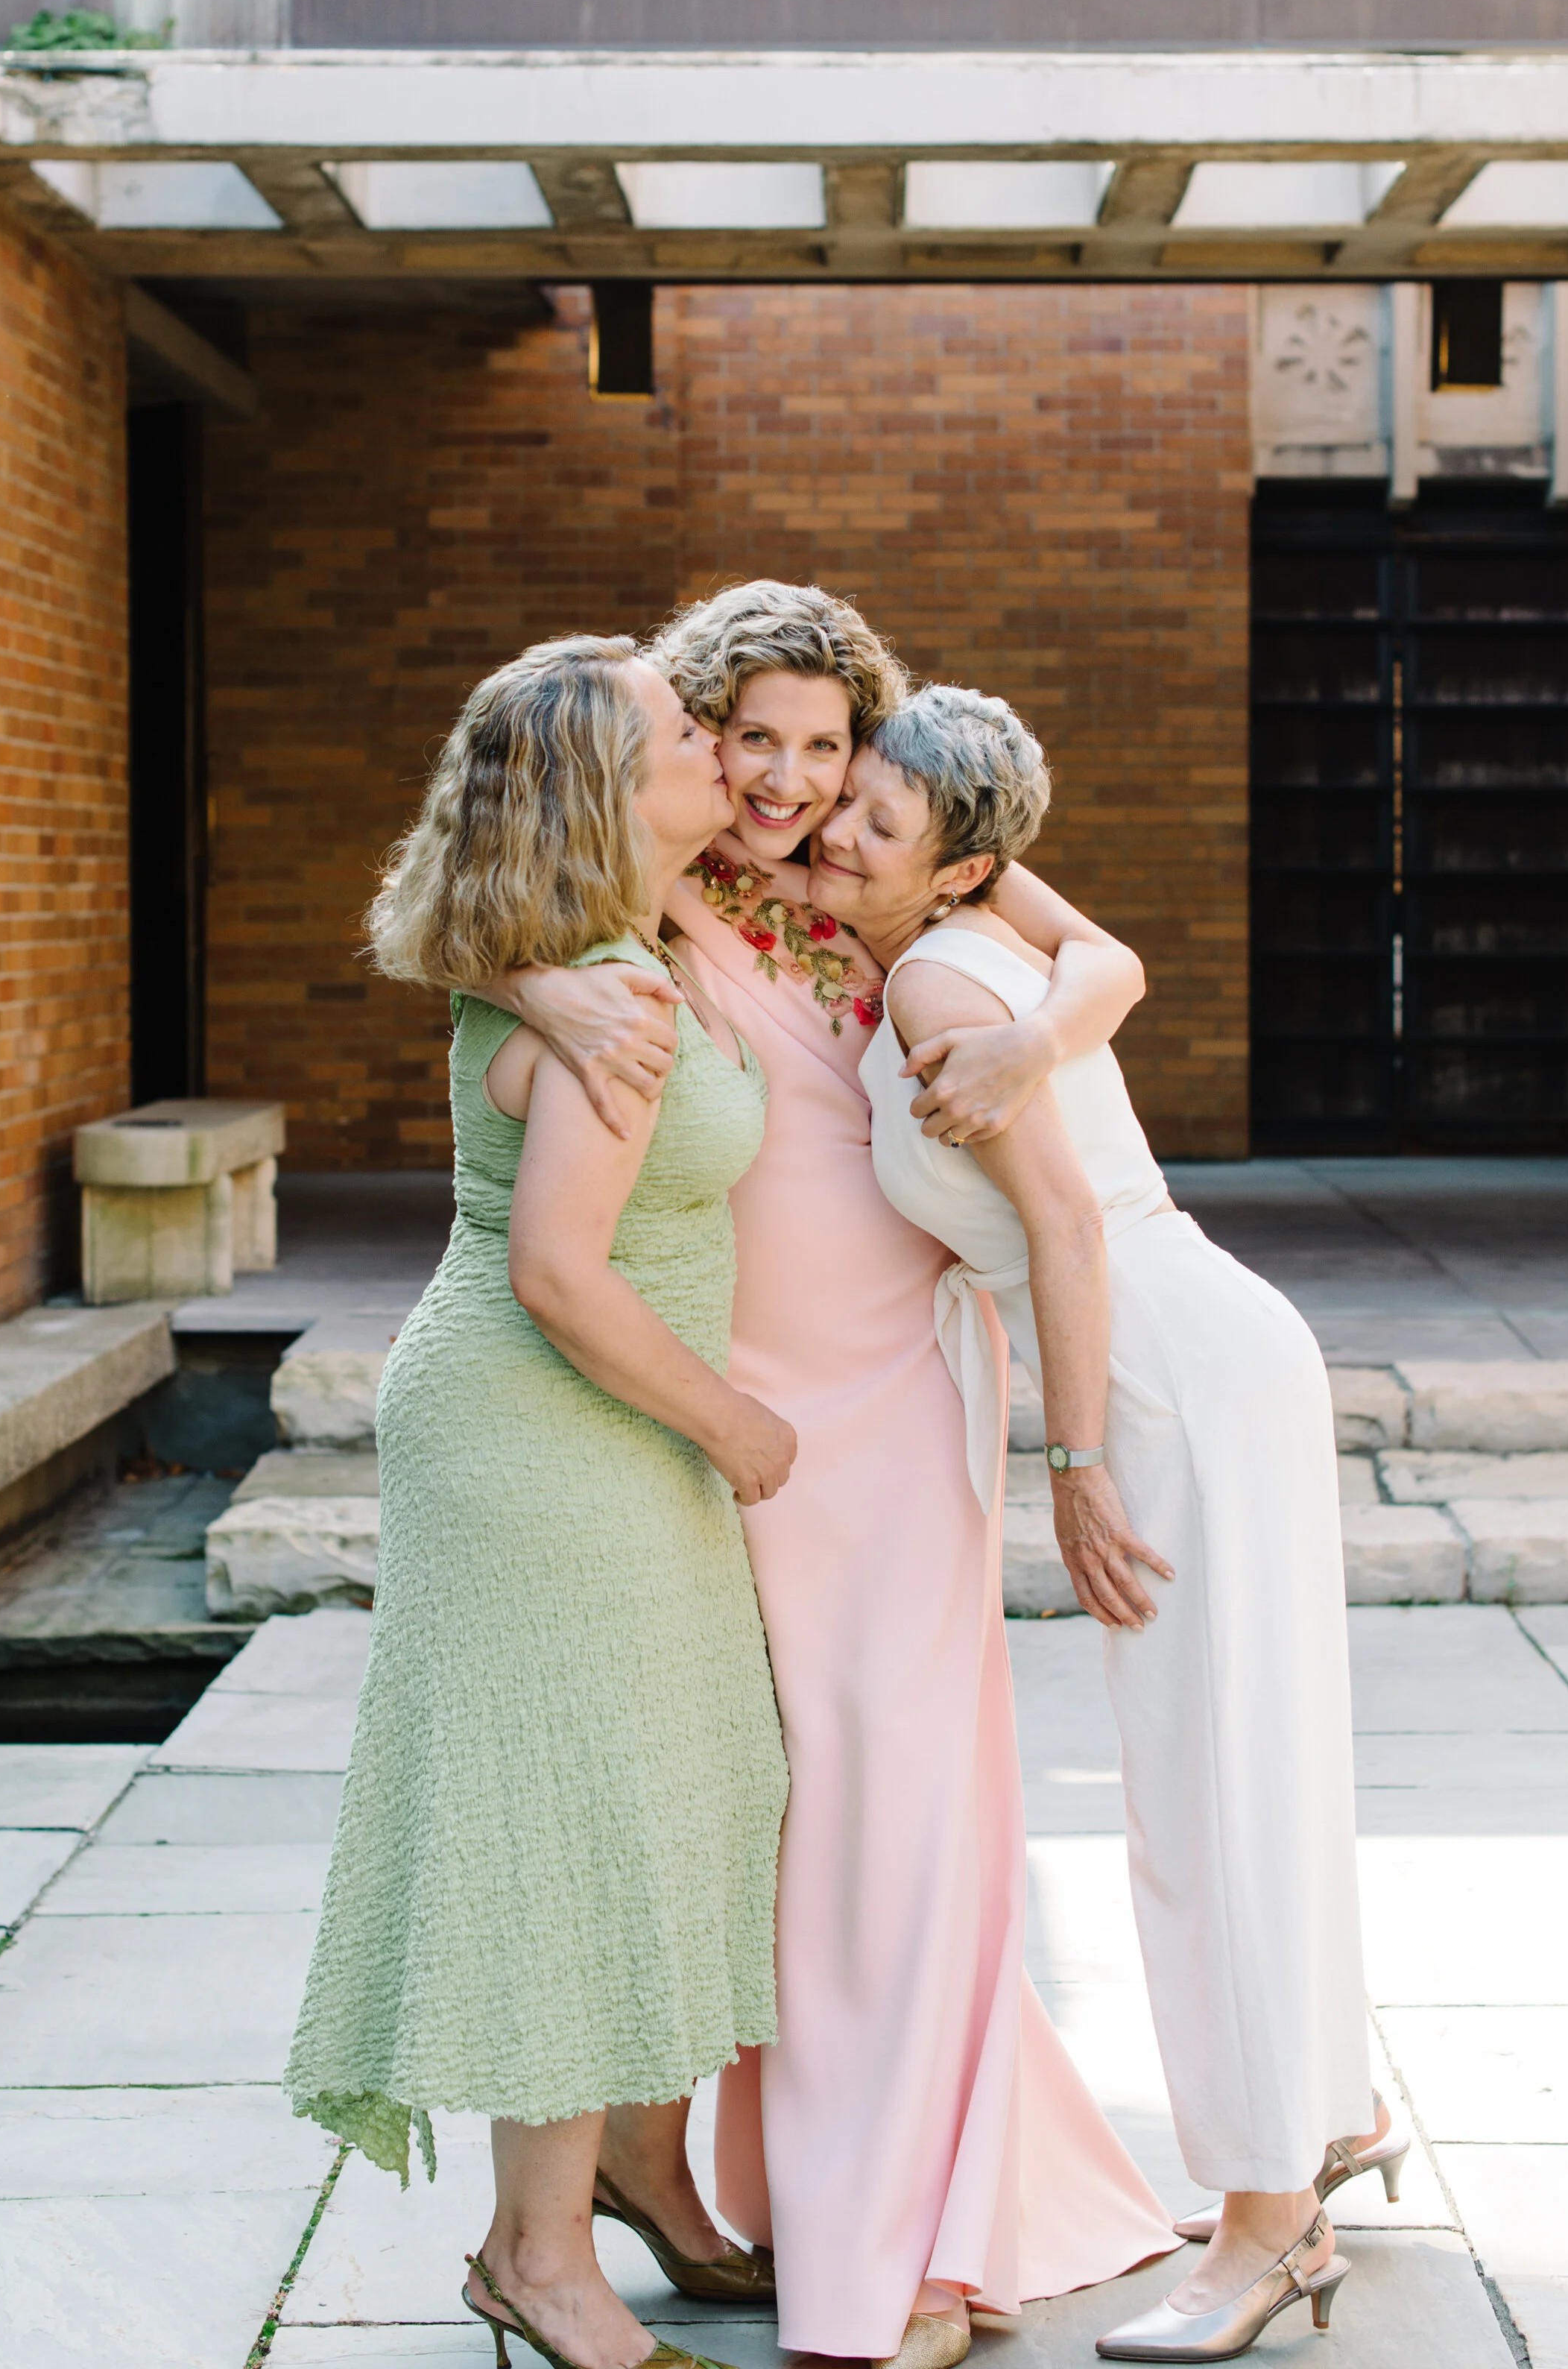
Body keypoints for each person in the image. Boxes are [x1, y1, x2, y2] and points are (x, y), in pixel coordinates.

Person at [504, 584, 1177, 2369]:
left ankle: (921, 2233)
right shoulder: (640, 876)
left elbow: (1099, 956)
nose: (796, 780)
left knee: (901, 1802)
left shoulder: (890, 868)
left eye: (829, 748)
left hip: (894, 1398)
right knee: (784, 1813)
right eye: (760, 741)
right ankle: (797, 2175)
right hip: (739, 1402)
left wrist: (1041, 1037)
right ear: (701, 737)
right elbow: (458, 902)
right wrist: (522, 981)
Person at [811, 680, 1401, 2365]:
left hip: (1160, 1381)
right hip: (1205, 1346)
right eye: (843, 802)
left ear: (955, 861)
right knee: (1253, 1765)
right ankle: (1327, 2112)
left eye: (875, 822)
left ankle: (1267, 2233)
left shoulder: (934, 963)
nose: (838, 833)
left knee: (1203, 1797)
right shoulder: (976, 920)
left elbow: (1060, 1234)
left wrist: (1071, 1473)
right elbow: (1108, 969)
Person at [285, 637, 794, 2369]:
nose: (717, 750)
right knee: (567, 1830)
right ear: (612, 787)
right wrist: (736, 1425)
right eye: (681, 732)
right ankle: (537, 2257)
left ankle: (626, 2183)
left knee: (650, 1798)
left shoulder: (618, 953)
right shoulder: (610, 990)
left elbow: (457, 912)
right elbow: (561, 1276)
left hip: (589, 1437)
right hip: (546, 1430)